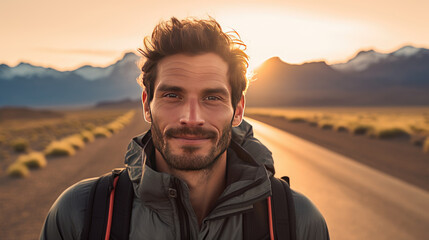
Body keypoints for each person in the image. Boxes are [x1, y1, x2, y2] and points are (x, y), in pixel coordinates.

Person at [40, 17, 329, 239]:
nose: (191, 118)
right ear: (146, 105)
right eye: (172, 95)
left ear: (238, 109)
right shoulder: (82, 214)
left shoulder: (295, 220)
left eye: (212, 97)